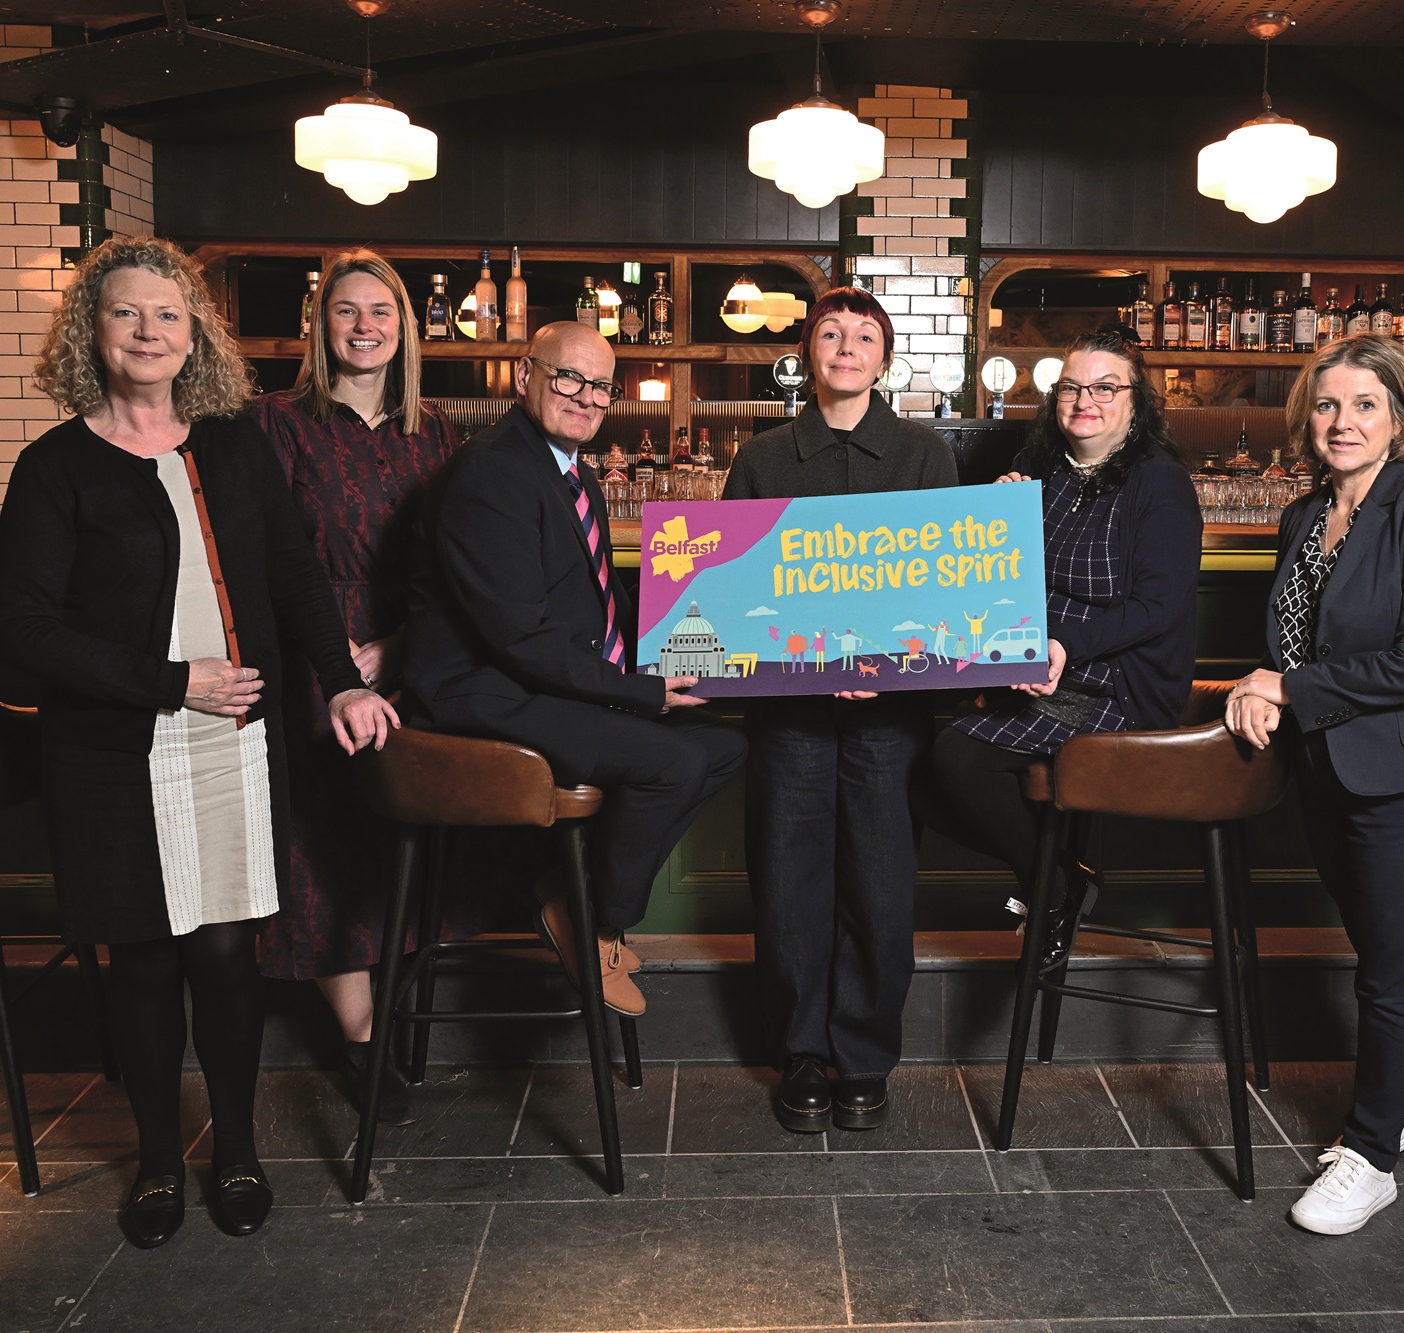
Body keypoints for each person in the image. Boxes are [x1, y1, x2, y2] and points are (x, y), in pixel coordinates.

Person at [0, 236, 397, 1251]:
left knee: (223, 954)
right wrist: (175, 682)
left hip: (234, 742)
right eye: (125, 313)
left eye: (167, 314)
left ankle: (238, 1150)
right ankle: (157, 1162)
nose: (148, 331)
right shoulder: (54, 467)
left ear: (194, 336)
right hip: (112, 752)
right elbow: (24, 632)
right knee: (140, 957)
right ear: (91, 330)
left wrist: (344, 681)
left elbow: (295, 577)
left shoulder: (231, 446)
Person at [1223, 333, 1404, 1235]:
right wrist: (1257, 686)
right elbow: (1297, 643)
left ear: (1402, 418)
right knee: (1388, 948)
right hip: (1329, 767)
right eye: (1328, 404)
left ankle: (1371, 1156)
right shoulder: (1304, 515)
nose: (1343, 421)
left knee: (1388, 968)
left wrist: (1285, 687)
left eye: (1365, 405)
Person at [399, 322, 745, 1018]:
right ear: (526, 374)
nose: (586, 397)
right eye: (569, 378)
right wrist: (641, 693)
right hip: (479, 692)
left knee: (728, 744)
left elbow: (594, 602)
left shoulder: (570, 471)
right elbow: (519, 636)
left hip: (530, 680)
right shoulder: (493, 470)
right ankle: (593, 922)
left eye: (601, 387)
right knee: (674, 763)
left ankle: (569, 895)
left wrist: (683, 635)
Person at [722, 287, 958, 1133]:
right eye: (831, 332)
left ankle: (862, 1055)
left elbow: (946, 587)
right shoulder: (762, 458)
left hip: (890, 717)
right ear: (807, 354)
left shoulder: (925, 454)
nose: (847, 346)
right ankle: (801, 1052)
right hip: (788, 713)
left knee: (880, 882)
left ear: (884, 358)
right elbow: (733, 587)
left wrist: (884, 663)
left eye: (864, 335)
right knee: (788, 879)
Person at [913, 329, 1201, 970]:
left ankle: (1051, 888)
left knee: (957, 757)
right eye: (1070, 387)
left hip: (1117, 683)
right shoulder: (1040, 469)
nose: (1083, 400)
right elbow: (1000, 583)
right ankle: (1061, 875)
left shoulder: (1159, 483)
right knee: (913, 772)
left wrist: (1065, 645)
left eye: (1104, 387)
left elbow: (1157, 608)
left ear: (1136, 400)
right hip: (1038, 669)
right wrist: (995, 520)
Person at [248, 250, 458, 1125]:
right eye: (346, 311)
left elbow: (454, 561)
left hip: (415, 652)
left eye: (381, 311)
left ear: (405, 328)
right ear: (319, 325)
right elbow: (265, 557)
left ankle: (388, 1010)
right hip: (310, 658)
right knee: (323, 847)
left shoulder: (434, 430)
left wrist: (398, 646)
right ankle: (363, 1039)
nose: (364, 326)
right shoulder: (276, 421)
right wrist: (338, 658)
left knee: (399, 839)